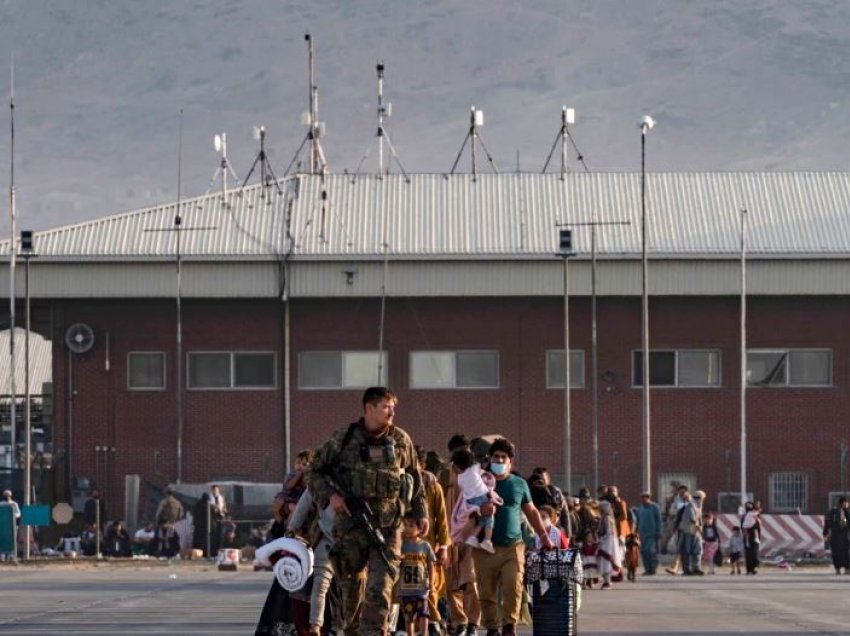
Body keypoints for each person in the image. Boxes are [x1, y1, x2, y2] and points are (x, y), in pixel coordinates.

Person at [307, 387, 427, 636]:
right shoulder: (344, 439)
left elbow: (415, 477)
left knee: (380, 587)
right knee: (350, 589)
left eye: (393, 406)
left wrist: (421, 512)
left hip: (388, 526)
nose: (391, 412)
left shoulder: (401, 440)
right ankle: (351, 630)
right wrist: (332, 496)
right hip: (350, 526)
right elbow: (314, 471)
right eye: (385, 406)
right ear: (369, 408)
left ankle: (374, 632)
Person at [471, 437, 553, 636]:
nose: (499, 461)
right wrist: (481, 510)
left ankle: (509, 626)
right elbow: (464, 511)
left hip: (512, 546)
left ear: (511, 462)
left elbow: (531, 511)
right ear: (489, 459)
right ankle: (492, 627)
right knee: (486, 592)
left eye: (503, 458)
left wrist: (544, 536)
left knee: (513, 586)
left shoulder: (519, 484)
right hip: (484, 547)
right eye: (496, 457)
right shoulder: (479, 482)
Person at [437, 433, 481, 636]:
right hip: (449, 535)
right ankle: (460, 622)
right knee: (451, 582)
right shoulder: (444, 475)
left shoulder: (478, 475)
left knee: (470, 580)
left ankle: (473, 623)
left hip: (471, 534)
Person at [415, 446, 450, 636]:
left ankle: (434, 622)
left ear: (423, 464)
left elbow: (442, 518)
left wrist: (443, 546)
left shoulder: (432, 486)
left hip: (427, 546)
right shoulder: (399, 484)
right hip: (404, 547)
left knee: (430, 587)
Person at [452, 447, 503, 554]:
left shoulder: (460, 479)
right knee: (489, 516)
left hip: (471, 501)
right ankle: (487, 540)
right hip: (481, 496)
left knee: (481, 520)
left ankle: (473, 537)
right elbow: (481, 464)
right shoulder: (474, 468)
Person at [399, 511, 437, 636]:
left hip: (421, 588)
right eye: (405, 525)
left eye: (411, 526)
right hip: (406, 588)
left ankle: (423, 633)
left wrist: (431, 582)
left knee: (424, 613)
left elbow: (431, 565)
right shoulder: (402, 545)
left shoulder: (425, 546)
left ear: (420, 528)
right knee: (409, 616)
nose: (407, 529)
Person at [596, 500, 623, 590]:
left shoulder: (607, 518)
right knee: (604, 561)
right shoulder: (604, 518)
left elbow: (609, 532)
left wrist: (601, 539)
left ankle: (607, 581)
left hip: (607, 543)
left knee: (606, 561)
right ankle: (606, 580)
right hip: (606, 542)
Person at [634, 491, 662, 575]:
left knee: (650, 551)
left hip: (652, 533)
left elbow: (659, 520)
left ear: (649, 498)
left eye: (646, 497)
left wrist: (659, 531)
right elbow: (637, 521)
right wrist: (636, 532)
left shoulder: (655, 507)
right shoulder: (640, 508)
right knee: (644, 552)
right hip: (641, 533)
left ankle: (653, 568)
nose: (644, 499)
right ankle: (647, 569)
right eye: (643, 497)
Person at [676, 491, 703, 575]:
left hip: (695, 532)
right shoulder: (691, 505)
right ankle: (687, 569)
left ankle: (696, 568)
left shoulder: (698, 506)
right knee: (687, 551)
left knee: (697, 550)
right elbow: (692, 519)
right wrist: (698, 525)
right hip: (689, 531)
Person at [824, 495, 850, 575]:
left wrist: (825, 533)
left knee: (836, 553)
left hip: (835, 537)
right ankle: (846, 569)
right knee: (845, 553)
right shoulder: (845, 512)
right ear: (845, 503)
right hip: (844, 537)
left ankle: (838, 569)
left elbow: (827, 523)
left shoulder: (832, 511)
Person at [283, 449, 313, 518]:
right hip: (289, 502)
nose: (300, 466)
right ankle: (290, 528)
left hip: (304, 503)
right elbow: (287, 487)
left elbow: (308, 490)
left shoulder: (310, 477)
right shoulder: (292, 475)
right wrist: (298, 475)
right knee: (295, 510)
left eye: (304, 464)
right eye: (298, 463)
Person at [154, 488, 183, 557]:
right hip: (174, 524)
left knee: (162, 540)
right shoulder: (178, 503)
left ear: (166, 493)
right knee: (173, 540)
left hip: (164, 523)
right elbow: (181, 514)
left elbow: (158, 513)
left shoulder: (164, 502)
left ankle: (162, 552)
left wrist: (157, 522)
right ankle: (172, 552)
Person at [0, 489, 21, 561]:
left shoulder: (14, 504)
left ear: (10, 496)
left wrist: (12, 515)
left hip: (12, 525)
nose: (7, 497)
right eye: (6, 496)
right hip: (3, 526)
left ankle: (11, 556)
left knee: (13, 540)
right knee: (2, 540)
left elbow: (18, 514)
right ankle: (2, 556)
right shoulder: (1, 504)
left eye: (8, 496)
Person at [741, 501, 761, 575]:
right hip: (747, 536)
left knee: (754, 552)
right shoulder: (744, 516)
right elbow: (743, 527)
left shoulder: (755, 515)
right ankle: (749, 569)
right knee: (748, 553)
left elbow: (759, 525)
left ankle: (754, 567)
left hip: (755, 536)